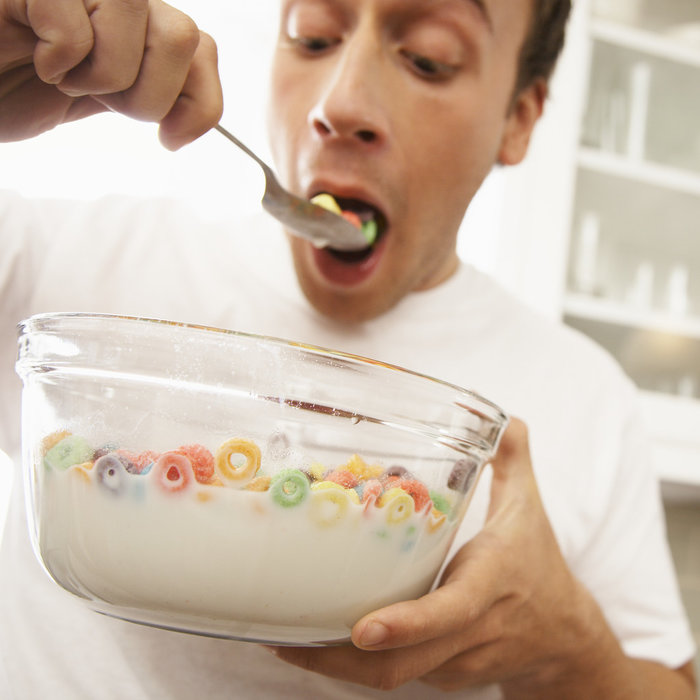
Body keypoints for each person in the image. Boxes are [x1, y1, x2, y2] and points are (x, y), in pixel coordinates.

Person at [0, 0, 696, 697]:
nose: (341, 104)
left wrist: (564, 647)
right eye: (313, 38)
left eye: (428, 58)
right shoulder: (59, 261)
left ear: (517, 117)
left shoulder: (587, 397)